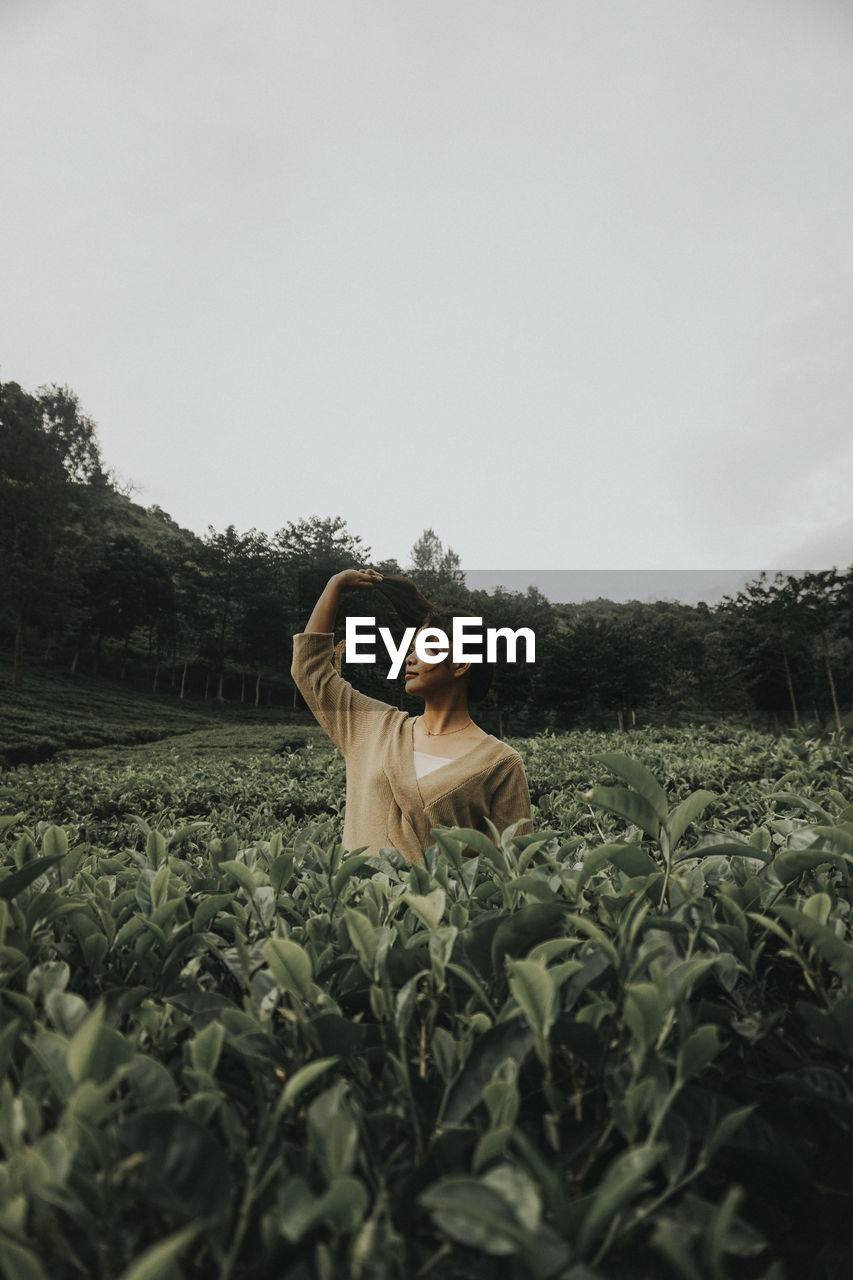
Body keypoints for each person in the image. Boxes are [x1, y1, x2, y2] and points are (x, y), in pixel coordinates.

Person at [290, 568, 532, 862]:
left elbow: (515, 864)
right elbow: (309, 670)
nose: (410, 657)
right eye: (412, 648)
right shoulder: (375, 727)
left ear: (460, 666)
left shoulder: (499, 762)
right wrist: (335, 585)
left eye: (427, 648)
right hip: (356, 905)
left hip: (435, 907)